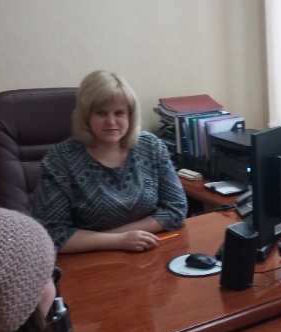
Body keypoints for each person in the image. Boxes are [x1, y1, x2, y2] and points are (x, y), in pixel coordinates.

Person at [30, 70, 187, 253]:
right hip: (88, 258)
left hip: (147, 249)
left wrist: (125, 236)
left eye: (119, 113)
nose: (111, 121)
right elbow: (51, 235)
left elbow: (176, 208)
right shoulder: (60, 160)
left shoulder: (150, 146)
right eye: (101, 113)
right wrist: (117, 241)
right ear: (86, 117)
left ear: (130, 116)